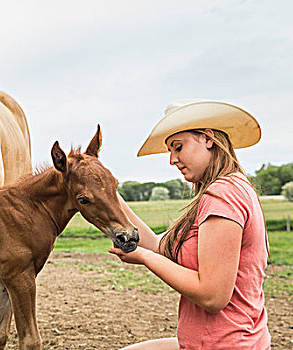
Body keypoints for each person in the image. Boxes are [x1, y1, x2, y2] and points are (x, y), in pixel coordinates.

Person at [109, 99, 271, 349]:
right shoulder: (233, 187)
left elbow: (212, 295)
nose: (172, 160)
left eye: (178, 147)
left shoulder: (223, 195)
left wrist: (143, 258)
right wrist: (105, 193)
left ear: (208, 138)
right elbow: (158, 245)